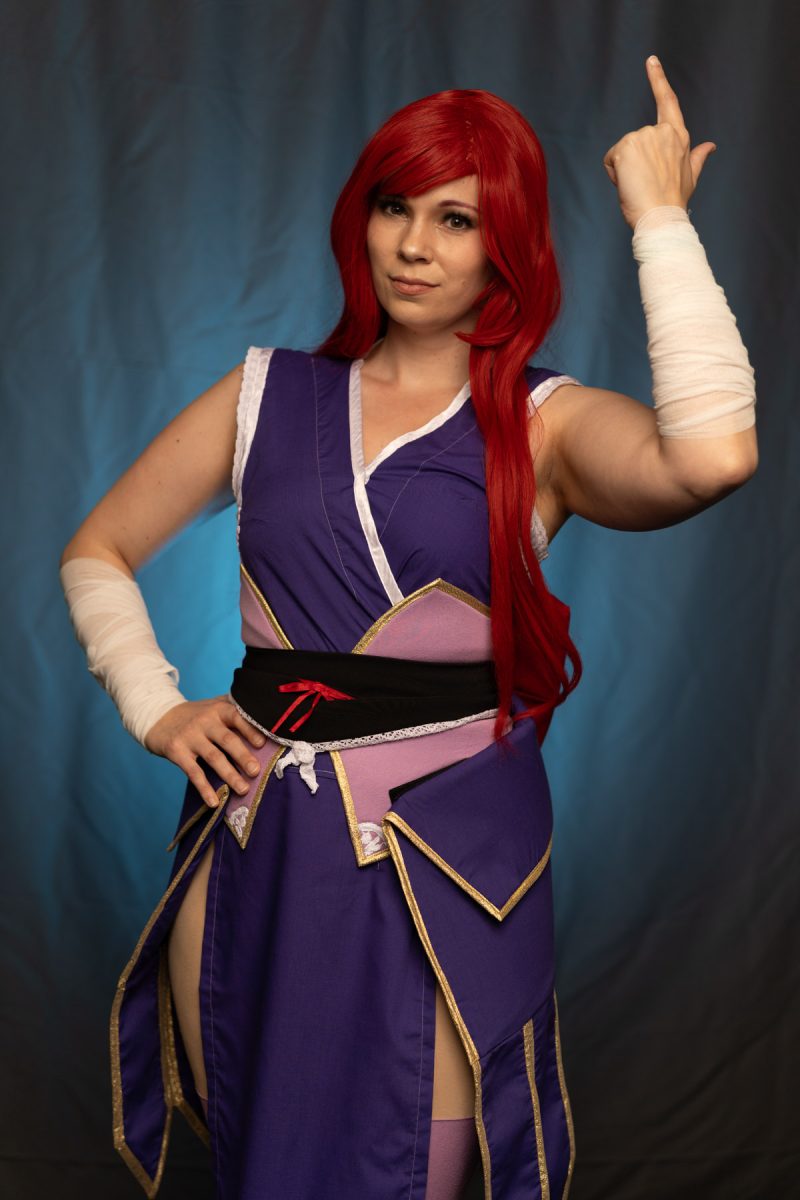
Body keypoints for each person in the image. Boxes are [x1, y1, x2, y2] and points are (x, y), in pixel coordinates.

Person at [60, 58, 756, 1200]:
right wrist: (157, 705)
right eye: (396, 207)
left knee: (406, 1169)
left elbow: (712, 457)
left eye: (457, 219)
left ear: (507, 244)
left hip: (438, 865)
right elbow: (97, 550)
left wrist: (658, 218)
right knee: (251, 1161)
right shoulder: (264, 393)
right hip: (250, 841)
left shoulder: (544, 423)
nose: (415, 246)